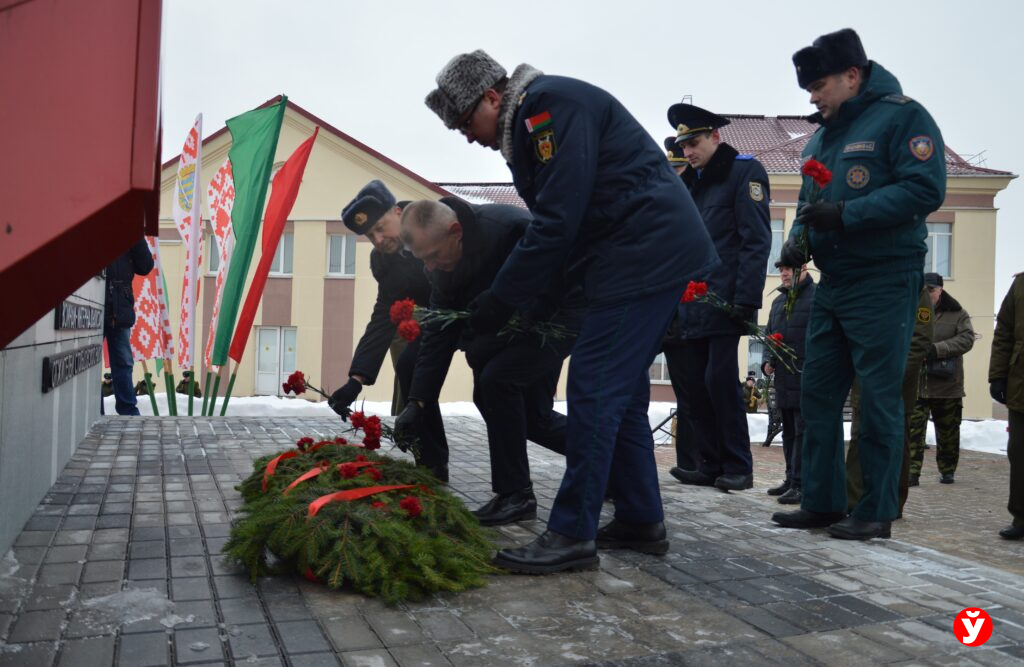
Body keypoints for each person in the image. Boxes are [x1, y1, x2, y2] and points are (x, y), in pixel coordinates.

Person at [424, 50, 718, 573]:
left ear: (491, 97)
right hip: (633, 256)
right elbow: (569, 222)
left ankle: (571, 532)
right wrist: (525, 302)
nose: (468, 136)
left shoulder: (548, 109)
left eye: (467, 122)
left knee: (593, 387)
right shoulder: (536, 115)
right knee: (623, 396)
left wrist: (501, 300)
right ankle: (640, 519)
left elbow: (557, 223)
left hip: (644, 254)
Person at [771, 28, 946, 540]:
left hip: (884, 277)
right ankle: (823, 502)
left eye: (818, 85)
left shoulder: (903, 117)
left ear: (852, 75)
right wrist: (797, 242)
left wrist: (847, 214)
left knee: (877, 397)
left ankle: (874, 510)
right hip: (834, 282)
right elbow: (809, 202)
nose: (812, 97)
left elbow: (925, 188)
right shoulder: (822, 135)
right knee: (817, 393)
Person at [395, 197, 578, 526]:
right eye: (424, 260)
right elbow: (439, 333)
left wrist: (490, 340)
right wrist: (417, 402)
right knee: (531, 417)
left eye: (433, 256)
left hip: (558, 318)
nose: (430, 267)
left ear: (456, 231)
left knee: (497, 382)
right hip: (508, 328)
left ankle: (516, 495)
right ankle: (610, 464)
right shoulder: (442, 264)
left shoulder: (510, 230)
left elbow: (547, 293)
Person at [663, 103, 772, 492]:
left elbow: (755, 239)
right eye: (683, 145)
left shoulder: (744, 172)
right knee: (696, 385)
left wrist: (747, 298)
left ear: (715, 136)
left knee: (720, 382)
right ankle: (708, 463)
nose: (688, 151)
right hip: (692, 303)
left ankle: (738, 465)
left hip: (726, 300)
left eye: (693, 143)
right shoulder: (693, 182)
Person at [331, 180, 450, 481]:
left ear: (398, 211)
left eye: (381, 228)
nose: (379, 240)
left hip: (480, 306)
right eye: (370, 236)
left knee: (497, 392)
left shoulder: (433, 223)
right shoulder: (384, 260)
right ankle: (432, 464)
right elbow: (384, 316)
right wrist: (356, 379)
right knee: (410, 364)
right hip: (440, 317)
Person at [846, 286, 933, 517]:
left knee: (894, 445)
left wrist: (891, 374)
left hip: (896, 385)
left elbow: (920, 339)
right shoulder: (866, 283)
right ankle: (853, 502)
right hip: (864, 378)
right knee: (858, 440)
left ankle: (891, 504)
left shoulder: (916, 288)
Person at [908, 273, 975, 485]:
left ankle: (947, 470)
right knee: (913, 431)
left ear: (940, 291)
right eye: (924, 290)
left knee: (948, 432)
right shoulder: (910, 310)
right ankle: (912, 472)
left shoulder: (958, 313)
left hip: (947, 385)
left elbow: (966, 339)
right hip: (917, 384)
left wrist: (937, 350)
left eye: (931, 290)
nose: (927, 294)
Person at [764, 243, 816, 505]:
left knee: (802, 433)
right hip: (784, 379)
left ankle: (801, 483)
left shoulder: (816, 298)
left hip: (805, 376)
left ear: (804, 268)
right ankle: (789, 479)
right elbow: (769, 336)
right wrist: (767, 360)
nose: (784, 273)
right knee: (789, 431)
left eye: (789, 269)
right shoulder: (778, 301)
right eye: (781, 269)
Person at [103, 237, 154, 416]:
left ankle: (128, 411)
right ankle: (94, 410)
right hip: (93, 304)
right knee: (89, 363)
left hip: (120, 307)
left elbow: (145, 266)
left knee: (123, 362)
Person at [991, 272, 1024, 539]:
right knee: (1020, 452)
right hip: (1021, 384)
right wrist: (998, 375)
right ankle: (1021, 517)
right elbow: (1003, 331)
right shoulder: (1021, 284)